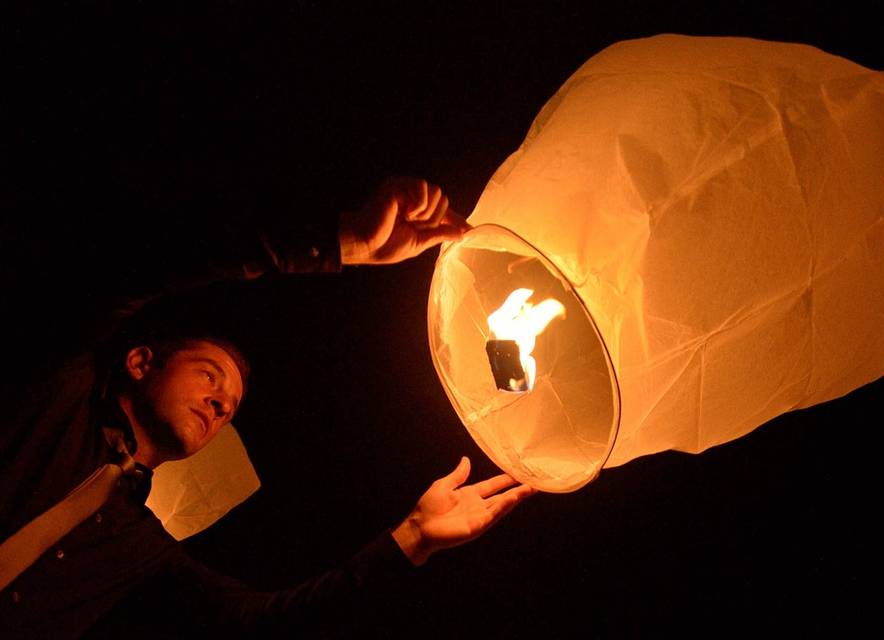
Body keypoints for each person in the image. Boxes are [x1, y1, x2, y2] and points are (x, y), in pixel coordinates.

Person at [0, 177, 537, 638]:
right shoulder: (56, 384)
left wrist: (412, 539)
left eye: (230, 409)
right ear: (140, 362)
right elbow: (136, 261)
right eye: (210, 377)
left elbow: (255, 626)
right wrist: (341, 240)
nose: (220, 405)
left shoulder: (134, 547)